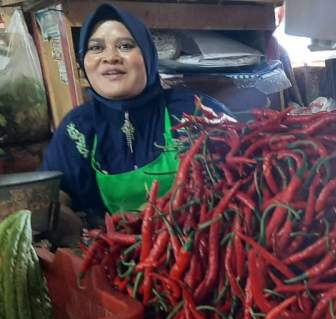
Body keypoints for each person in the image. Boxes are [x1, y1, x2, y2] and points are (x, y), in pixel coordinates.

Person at [42, 3, 228, 222]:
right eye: (96, 48)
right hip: (114, 252)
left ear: (148, 56)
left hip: (199, 247)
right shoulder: (78, 128)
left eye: (125, 45)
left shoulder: (193, 110)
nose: (110, 57)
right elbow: (55, 197)